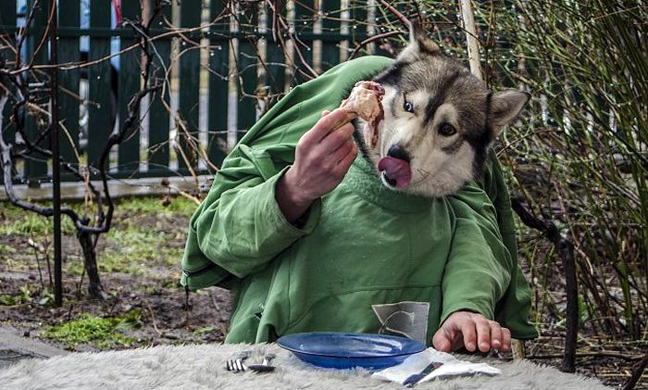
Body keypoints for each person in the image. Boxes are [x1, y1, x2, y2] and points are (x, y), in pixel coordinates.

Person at [181, 55, 538, 353]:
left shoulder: (456, 184)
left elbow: (477, 238)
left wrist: (467, 309)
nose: (408, 143)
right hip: (282, 365)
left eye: (445, 131)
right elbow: (216, 241)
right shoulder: (318, 128)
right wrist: (293, 189)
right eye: (408, 108)